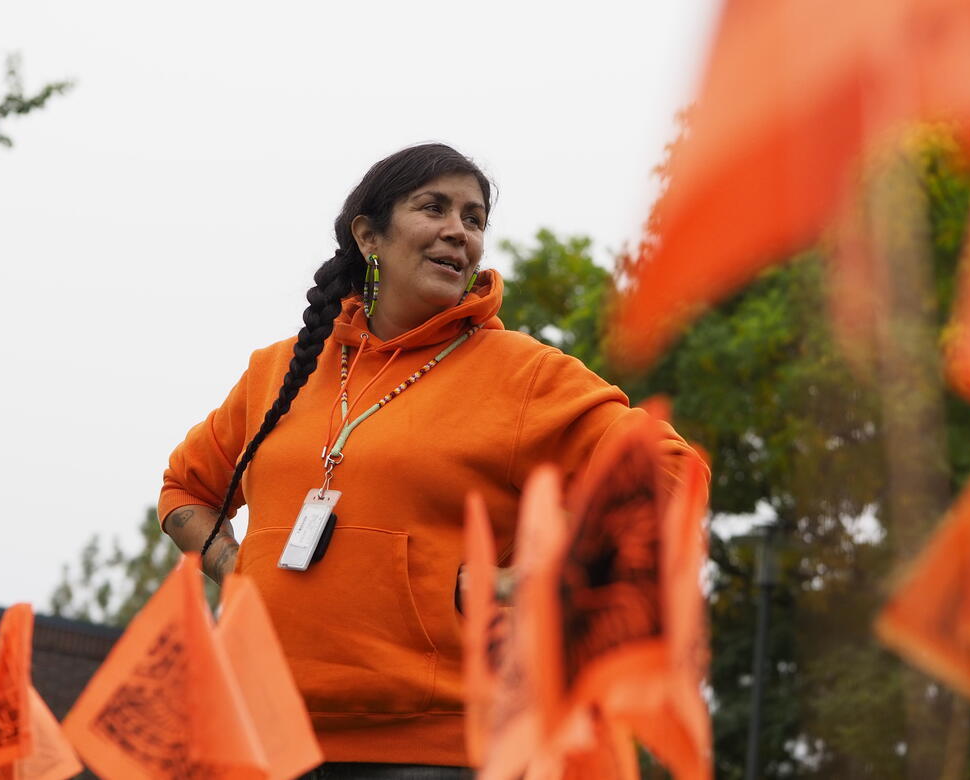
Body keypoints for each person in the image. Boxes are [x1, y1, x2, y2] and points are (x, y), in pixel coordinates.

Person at [159, 143, 700, 778]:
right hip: (259, 741)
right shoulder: (279, 371)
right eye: (433, 207)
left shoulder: (523, 375)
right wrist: (238, 568)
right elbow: (184, 491)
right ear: (369, 237)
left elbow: (669, 472)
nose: (457, 231)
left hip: (437, 753)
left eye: (473, 219)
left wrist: (530, 581)